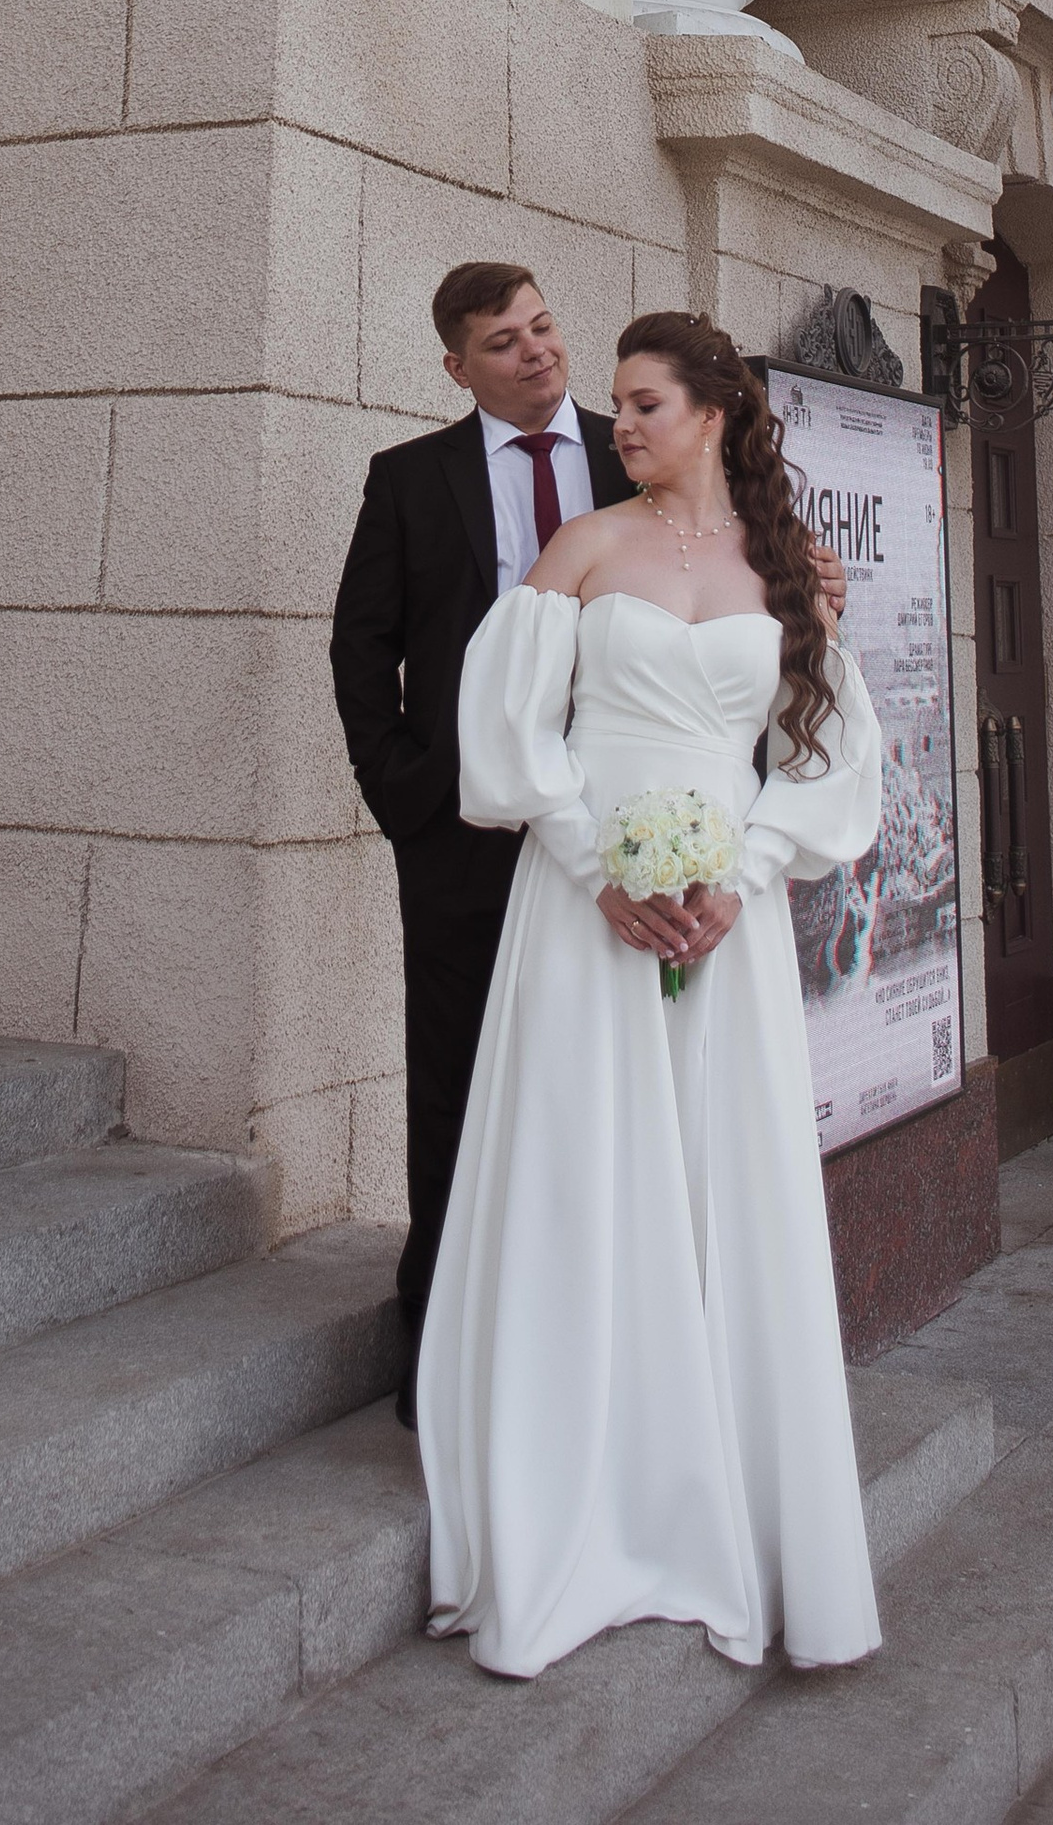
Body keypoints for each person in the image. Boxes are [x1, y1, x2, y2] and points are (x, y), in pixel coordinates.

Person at [414, 312, 884, 1683]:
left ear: (718, 407)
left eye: (645, 400)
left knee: (719, 1184)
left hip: (724, 919)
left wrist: (737, 873)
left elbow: (836, 757)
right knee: (586, 1175)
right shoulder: (584, 547)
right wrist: (594, 867)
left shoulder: (791, 568)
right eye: (614, 403)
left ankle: (720, 1483)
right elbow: (507, 735)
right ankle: (585, 1486)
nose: (619, 422)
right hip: (583, 911)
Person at [329, 264, 633, 1418]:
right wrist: (408, 795)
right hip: (463, 833)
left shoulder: (633, 459)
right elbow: (362, 653)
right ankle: (444, 1352)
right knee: (456, 1082)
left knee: (598, 1078)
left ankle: (592, 1340)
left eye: (545, 324)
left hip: (615, 831)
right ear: (458, 366)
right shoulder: (409, 481)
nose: (538, 351)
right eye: (503, 342)